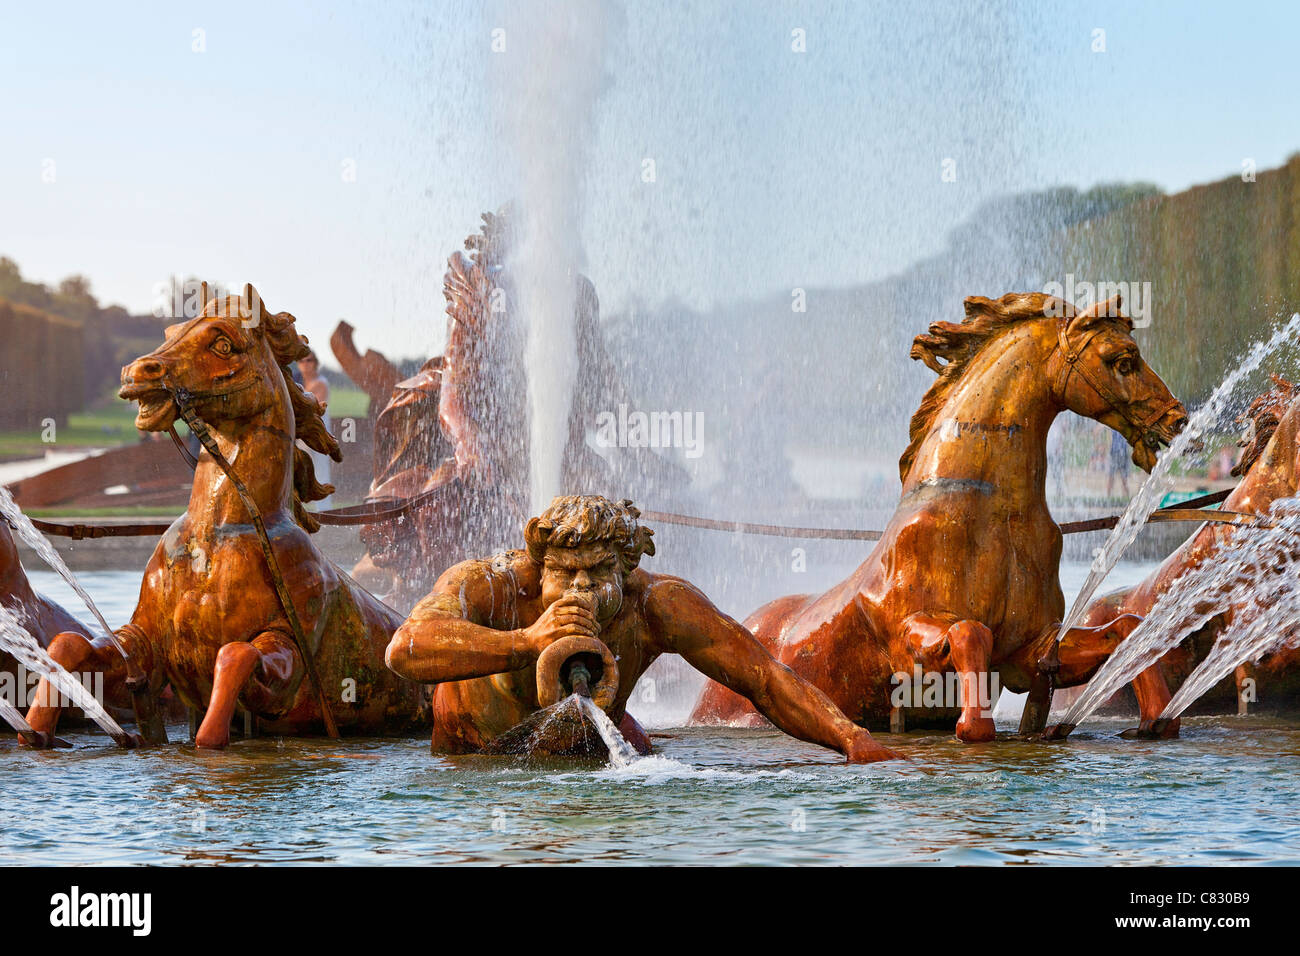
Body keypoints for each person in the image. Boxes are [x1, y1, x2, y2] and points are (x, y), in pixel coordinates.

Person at [384, 494, 902, 762]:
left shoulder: (657, 604)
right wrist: (526, 642)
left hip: (587, 751)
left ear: (626, 570)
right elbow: (403, 649)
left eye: (597, 571)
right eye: (563, 572)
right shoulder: (491, 585)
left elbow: (763, 677)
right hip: (477, 751)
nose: (578, 587)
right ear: (539, 567)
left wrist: (852, 738)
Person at [296, 350, 333, 508]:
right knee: (300, 474)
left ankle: (325, 513)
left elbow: (310, 410)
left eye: (309, 360)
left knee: (320, 473)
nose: (305, 364)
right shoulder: (300, 384)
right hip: (303, 435)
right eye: (302, 360)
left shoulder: (321, 383)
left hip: (318, 436)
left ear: (315, 363)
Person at [1105, 427, 1130, 500]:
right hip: (1116, 452)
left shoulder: (1114, 425)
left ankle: (1109, 497)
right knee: (1117, 478)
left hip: (1119, 452)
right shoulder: (1121, 424)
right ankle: (1109, 497)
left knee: (1121, 478)